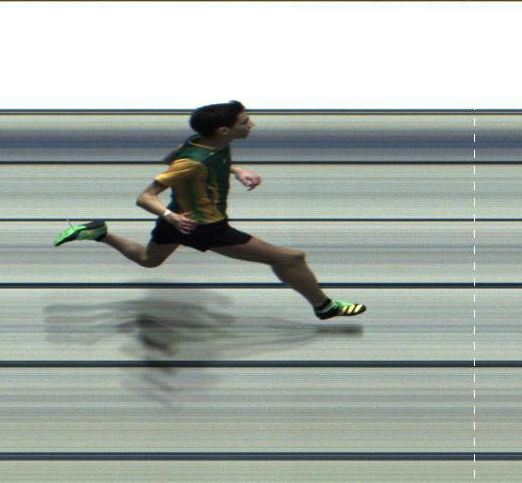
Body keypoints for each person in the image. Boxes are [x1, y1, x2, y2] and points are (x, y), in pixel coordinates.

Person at [53, 101, 368, 320]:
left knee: (149, 260)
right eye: (244, 122)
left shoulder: (205, 142)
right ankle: (324, 307)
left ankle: (100, 232)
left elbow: (170, 158)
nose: (251, 124)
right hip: (204, 226)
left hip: (182, 220)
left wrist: (237, 170)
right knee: (290, 258)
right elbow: (145, 196)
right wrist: (171, 216)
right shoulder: (192, 160)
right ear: (223, 130)